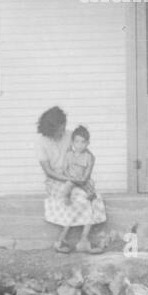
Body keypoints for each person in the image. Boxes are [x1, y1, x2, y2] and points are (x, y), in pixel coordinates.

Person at [34, 106, 107, 253]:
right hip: (56, 180)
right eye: (59, 129)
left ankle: (83, 240)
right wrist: (70, 179)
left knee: (93, 197)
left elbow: (85, 154)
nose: (63, 131)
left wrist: (83, 176)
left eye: (64, 127)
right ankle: (61, 240)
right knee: (76, 197)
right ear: (50, 129)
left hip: (75, 176)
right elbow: (48, 172)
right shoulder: (41, 142)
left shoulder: (69, 135)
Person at [61, 126, 97, 204]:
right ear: (72, 142)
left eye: (83, 142)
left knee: (90, 186)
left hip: (82, 179)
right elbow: (64, 168)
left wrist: (84, 178)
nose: (79, 145)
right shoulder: (69, 155)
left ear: (87, 143)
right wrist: (69, 177)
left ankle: (91, 195)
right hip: (72, 178)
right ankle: (66, 197)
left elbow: (88, 170)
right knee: (67, 186)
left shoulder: (88, 156)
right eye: (77, 142)